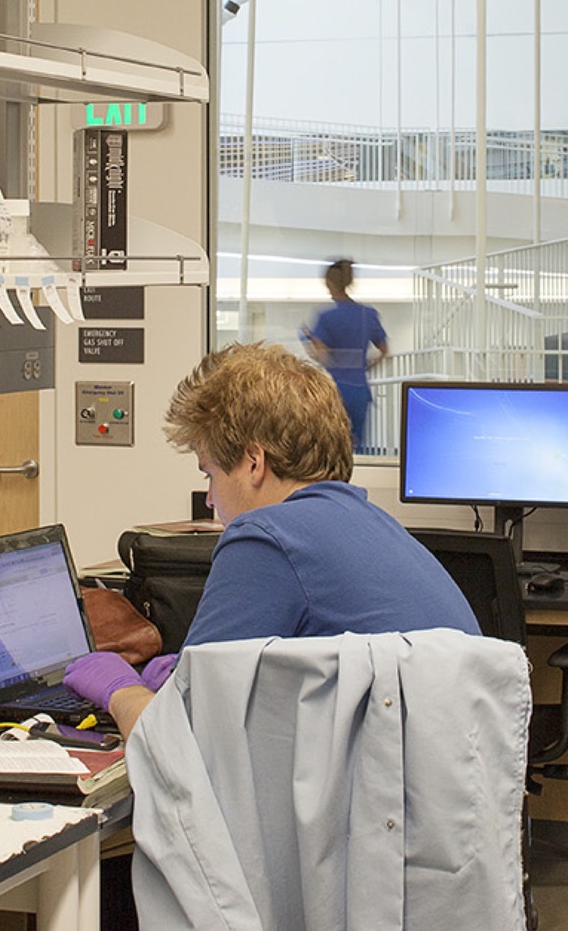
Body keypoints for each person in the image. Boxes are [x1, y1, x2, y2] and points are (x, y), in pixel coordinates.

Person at [62, 343, 478, 738]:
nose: (210, 498)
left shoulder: (267, 538)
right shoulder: (375, 524)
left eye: (210, 474)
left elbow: (175, 738)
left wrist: (119, 688)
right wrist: (183, 676)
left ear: (253, 462)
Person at [300, 257, 389, 452]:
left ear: (329, 284)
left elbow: (322, 356)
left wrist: (306, 339)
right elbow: (384, 350)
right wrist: (365, 366)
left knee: (332, 446)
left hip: (334, 389)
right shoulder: (367, 314)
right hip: (359, 391)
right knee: (357, 445)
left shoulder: (326, 317)